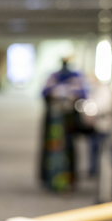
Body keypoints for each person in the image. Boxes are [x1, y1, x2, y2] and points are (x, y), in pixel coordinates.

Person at [39, 57, 87, 192]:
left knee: (69, 150)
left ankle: (69, 180)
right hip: (53, 122)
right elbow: (44, 93)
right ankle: (50, 178)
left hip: (68, 121)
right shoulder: (53, 77)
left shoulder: (75, 77)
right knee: (52, 148)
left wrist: (71, 96)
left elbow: (82, 95)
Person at [85, 74, 112, 178]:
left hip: (104, 124)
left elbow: (102, 107)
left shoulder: (105, 91)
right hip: (97, 124)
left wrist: (92, 111)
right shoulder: (96, 90)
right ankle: (93, 170)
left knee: (106, 148)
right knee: (95, 147)